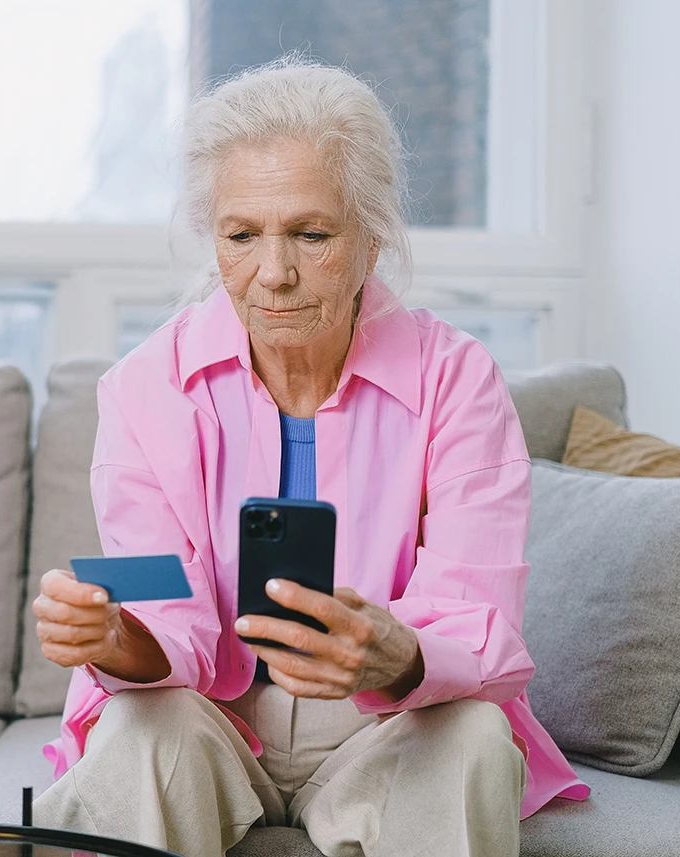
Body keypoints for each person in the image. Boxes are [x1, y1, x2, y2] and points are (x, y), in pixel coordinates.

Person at [31, 58, 589, 857]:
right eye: (241, 235)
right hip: (211, 712)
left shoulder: (455, 379)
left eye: (311, 233)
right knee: (138, 728)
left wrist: (391, 652)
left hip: (389, 716)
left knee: (470, 733)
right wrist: (110, 634)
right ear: (211, 237)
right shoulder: (147, 387)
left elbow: (477, 619)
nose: (274, 274)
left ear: (370, 236)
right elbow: (165, 611)